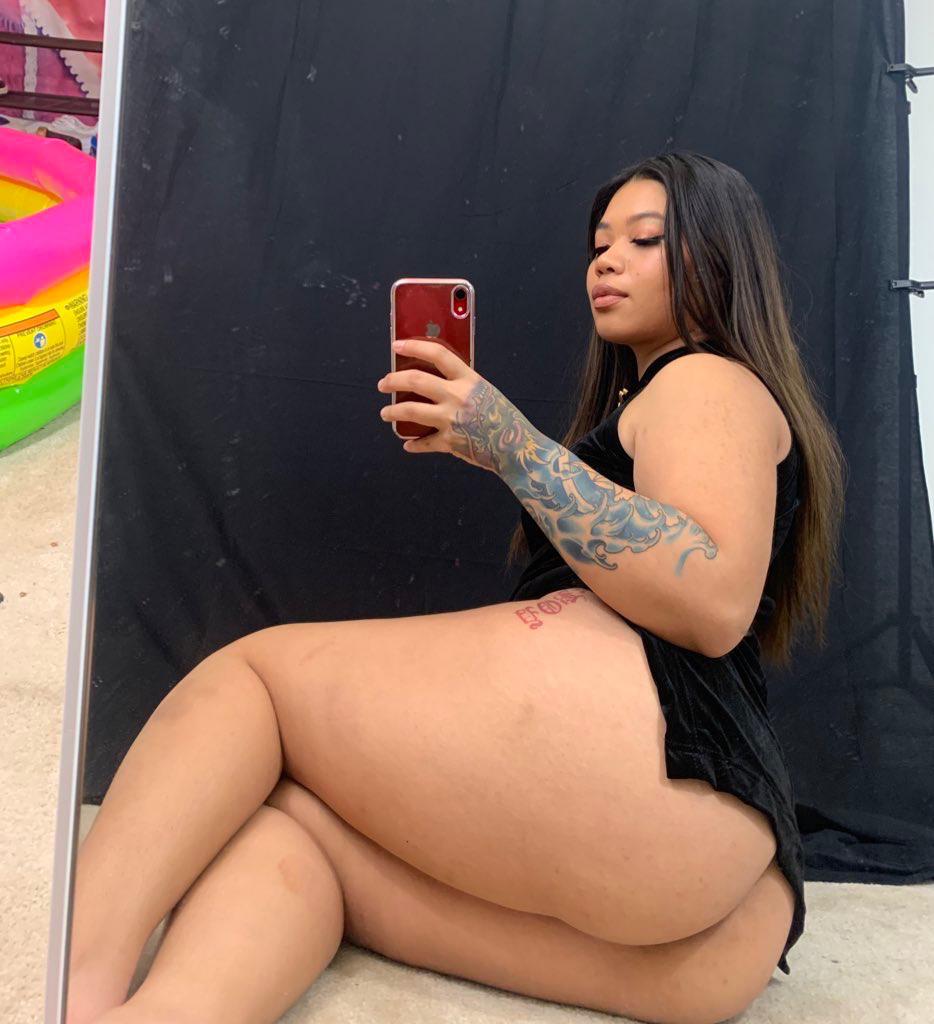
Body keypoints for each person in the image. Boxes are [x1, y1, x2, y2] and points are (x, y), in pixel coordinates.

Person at [67, 151, 845, 1024]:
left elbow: (713, 597)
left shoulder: (705, 377)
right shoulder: (673, 397)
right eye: (598, 245)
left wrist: (508, 442)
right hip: (713, 915)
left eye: (644, 239)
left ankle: (73, 991)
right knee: (297, 825)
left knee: (253, 684)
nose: (606, 261)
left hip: (660, 769)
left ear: (722, 256)